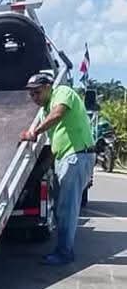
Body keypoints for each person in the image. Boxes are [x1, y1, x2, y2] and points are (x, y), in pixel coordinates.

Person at [20, 71, 95, 266]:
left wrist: (34, 132)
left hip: (77, 156)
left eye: (36, 92)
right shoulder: (45, 109)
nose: (33, 97)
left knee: (67, 207)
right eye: (31, 94)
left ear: (47, 87)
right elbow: (57, 143)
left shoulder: (62, 92)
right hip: (65, 158)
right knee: (61, 208)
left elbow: (59, 113)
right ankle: (62, 249)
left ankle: (65, 253)